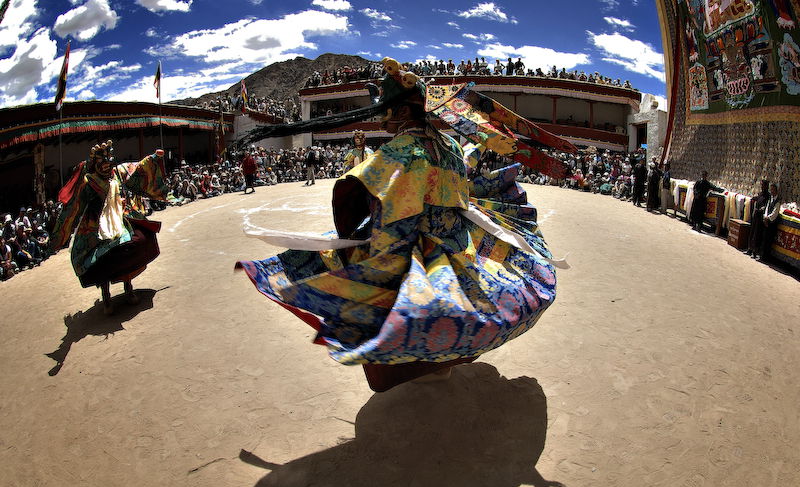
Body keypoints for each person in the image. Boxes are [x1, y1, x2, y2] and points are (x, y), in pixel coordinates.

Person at [235, 57, 573, 392]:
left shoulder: (401, 151)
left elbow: (384, 209)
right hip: (458, 244)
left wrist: (364, 246)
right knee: (464, 301)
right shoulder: (452, 146)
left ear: (400, 111)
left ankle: (413, 365)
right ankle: (442, 360)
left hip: (420, 243)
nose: (382, 116)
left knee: (355, 278)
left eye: (386, 108)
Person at [49, 141, 169, 314]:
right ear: (95, 165)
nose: (106, 167)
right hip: (97, 225)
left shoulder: (117, 173)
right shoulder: (88, 182)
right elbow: (75, 206)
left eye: (108, 163)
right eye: (102, 164)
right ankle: (106, 296)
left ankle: (129, 287)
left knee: (138, 241)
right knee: (102, 258)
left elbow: (137, 170)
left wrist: (153, 159)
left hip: (120, 219)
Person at [757, 182, 782, 261]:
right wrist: (765, 217)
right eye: (771, 190)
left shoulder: (777, 201)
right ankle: (761, 255)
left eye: (773, 190)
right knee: (763, 238)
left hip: (772, 223)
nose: (771, 191)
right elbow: (767, 208)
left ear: (776, 191)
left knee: (768, 240)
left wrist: (768, 218)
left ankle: (765, 257)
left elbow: (775, 213)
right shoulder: (770, 199)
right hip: (766, 221)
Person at [747, 179, 770, 257]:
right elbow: (757, 199)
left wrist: (762, 208)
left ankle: (755, 251)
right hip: (756, 215)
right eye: (762, 185)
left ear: (767, 186)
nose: (762, 187)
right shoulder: (761, 194)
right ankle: (749, 249)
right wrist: (753, 199)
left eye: (764, 185)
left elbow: (767, 205)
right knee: (752, 232)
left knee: (757, 234)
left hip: (761, 217)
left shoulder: (768, 196)